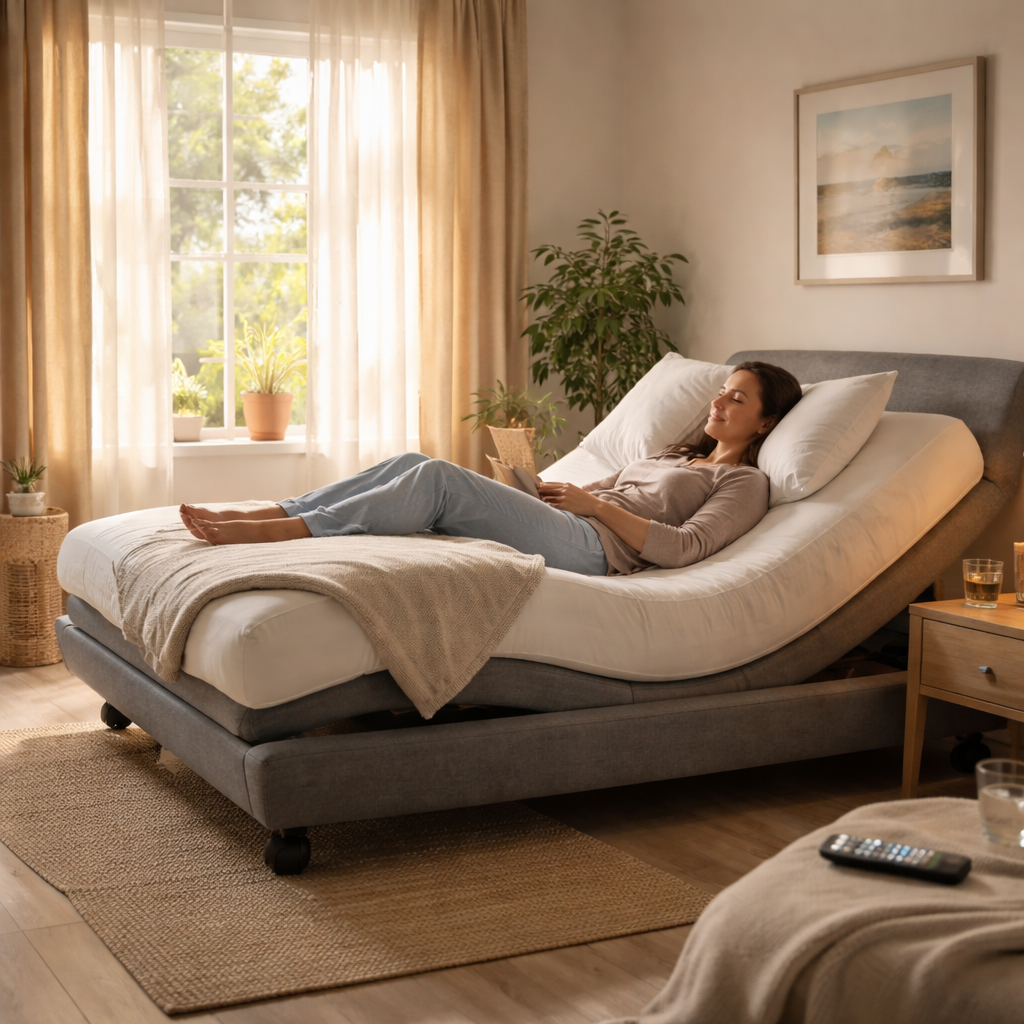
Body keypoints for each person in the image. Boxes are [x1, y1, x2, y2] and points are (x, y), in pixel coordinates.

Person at [180, 361, 803, 576]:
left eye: (737, 398)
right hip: (575, 520)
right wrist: (536, 488)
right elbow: (596, 491)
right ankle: (279, 510)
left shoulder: (742, 482)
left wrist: (594, 508)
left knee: (436, 481)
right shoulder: (676, 455)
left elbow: (687, 548)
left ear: (767, 422)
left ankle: (279, 530)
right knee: (414, 460)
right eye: (721, 391)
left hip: (597, 550)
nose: (718, 402)